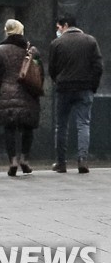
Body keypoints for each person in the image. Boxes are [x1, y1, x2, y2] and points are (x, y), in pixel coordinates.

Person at [49, 15, 103, 174]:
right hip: (85, 88)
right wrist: (92, 86)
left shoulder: (56, 43)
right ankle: (82, 160)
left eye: (59, 27)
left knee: (61, 125)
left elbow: (52, 68)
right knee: (83, 124)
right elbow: (98, 67)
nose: (58, 31)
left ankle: (61, 162)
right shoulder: (90, 41)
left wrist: (57, 80)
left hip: (64, 88)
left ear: (65, 25)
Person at [0, 19, 42, 176]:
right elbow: (40, 73)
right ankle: (25, 159)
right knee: (28, 127)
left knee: (10, 128)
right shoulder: (32, 50)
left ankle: (12, 160)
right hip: (28, 93)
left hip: (7, 92)